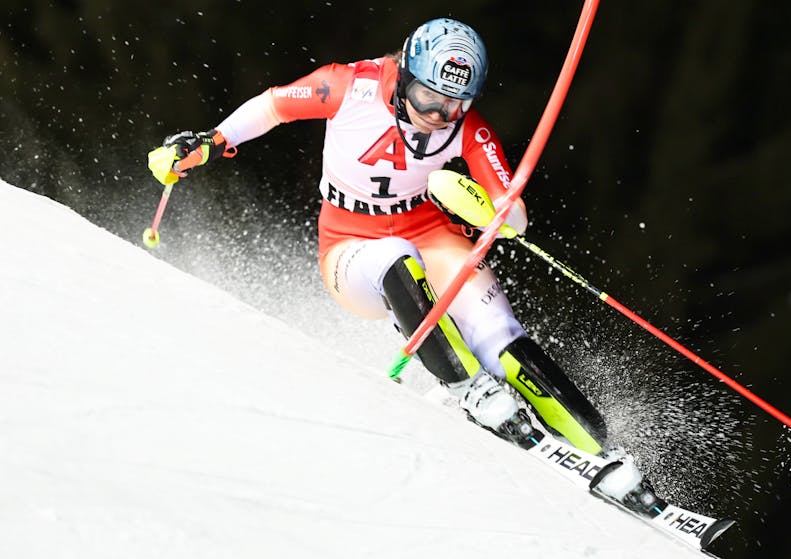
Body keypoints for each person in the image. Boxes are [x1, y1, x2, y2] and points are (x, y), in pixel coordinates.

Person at [148, 17, 648, 504]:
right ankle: (467, 387)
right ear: (406, 75)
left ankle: (603, 452)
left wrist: (489, 207)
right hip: (350, 249)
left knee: (497, 331)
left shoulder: (466, 127)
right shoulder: (349, 86)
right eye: (429, 98)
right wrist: (209, 144)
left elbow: (512, 212)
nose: (437, 116)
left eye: (454, 106)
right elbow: (273, 106)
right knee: (394, 256)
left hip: (430, 233)